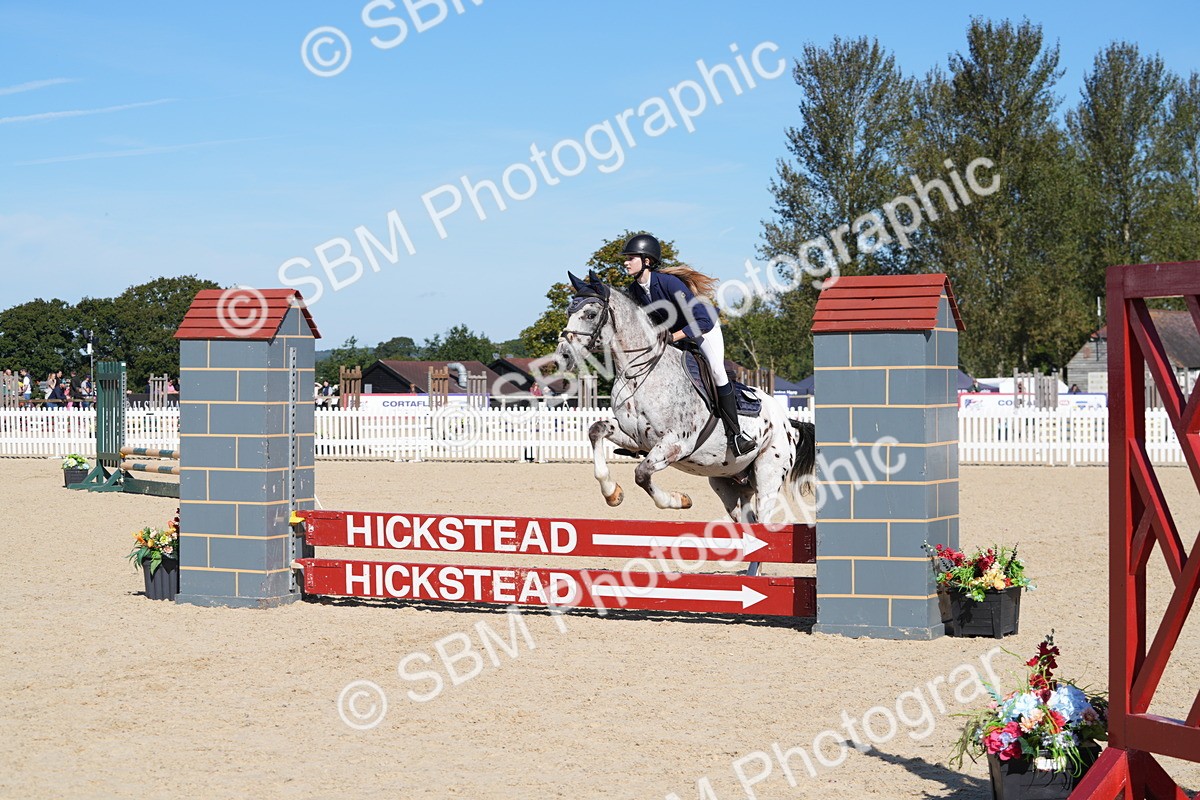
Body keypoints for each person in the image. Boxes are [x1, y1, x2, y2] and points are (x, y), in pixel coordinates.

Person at [619, 233, 755, 456]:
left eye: (631, 257)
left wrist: (674, 337)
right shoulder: (634, 290)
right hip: (674, 335)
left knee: (717, 372)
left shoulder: (669, 283)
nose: (625, 262)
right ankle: (644, 439)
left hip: (703, 329)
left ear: (647, 261)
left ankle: (736, 435)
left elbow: (702, 319)